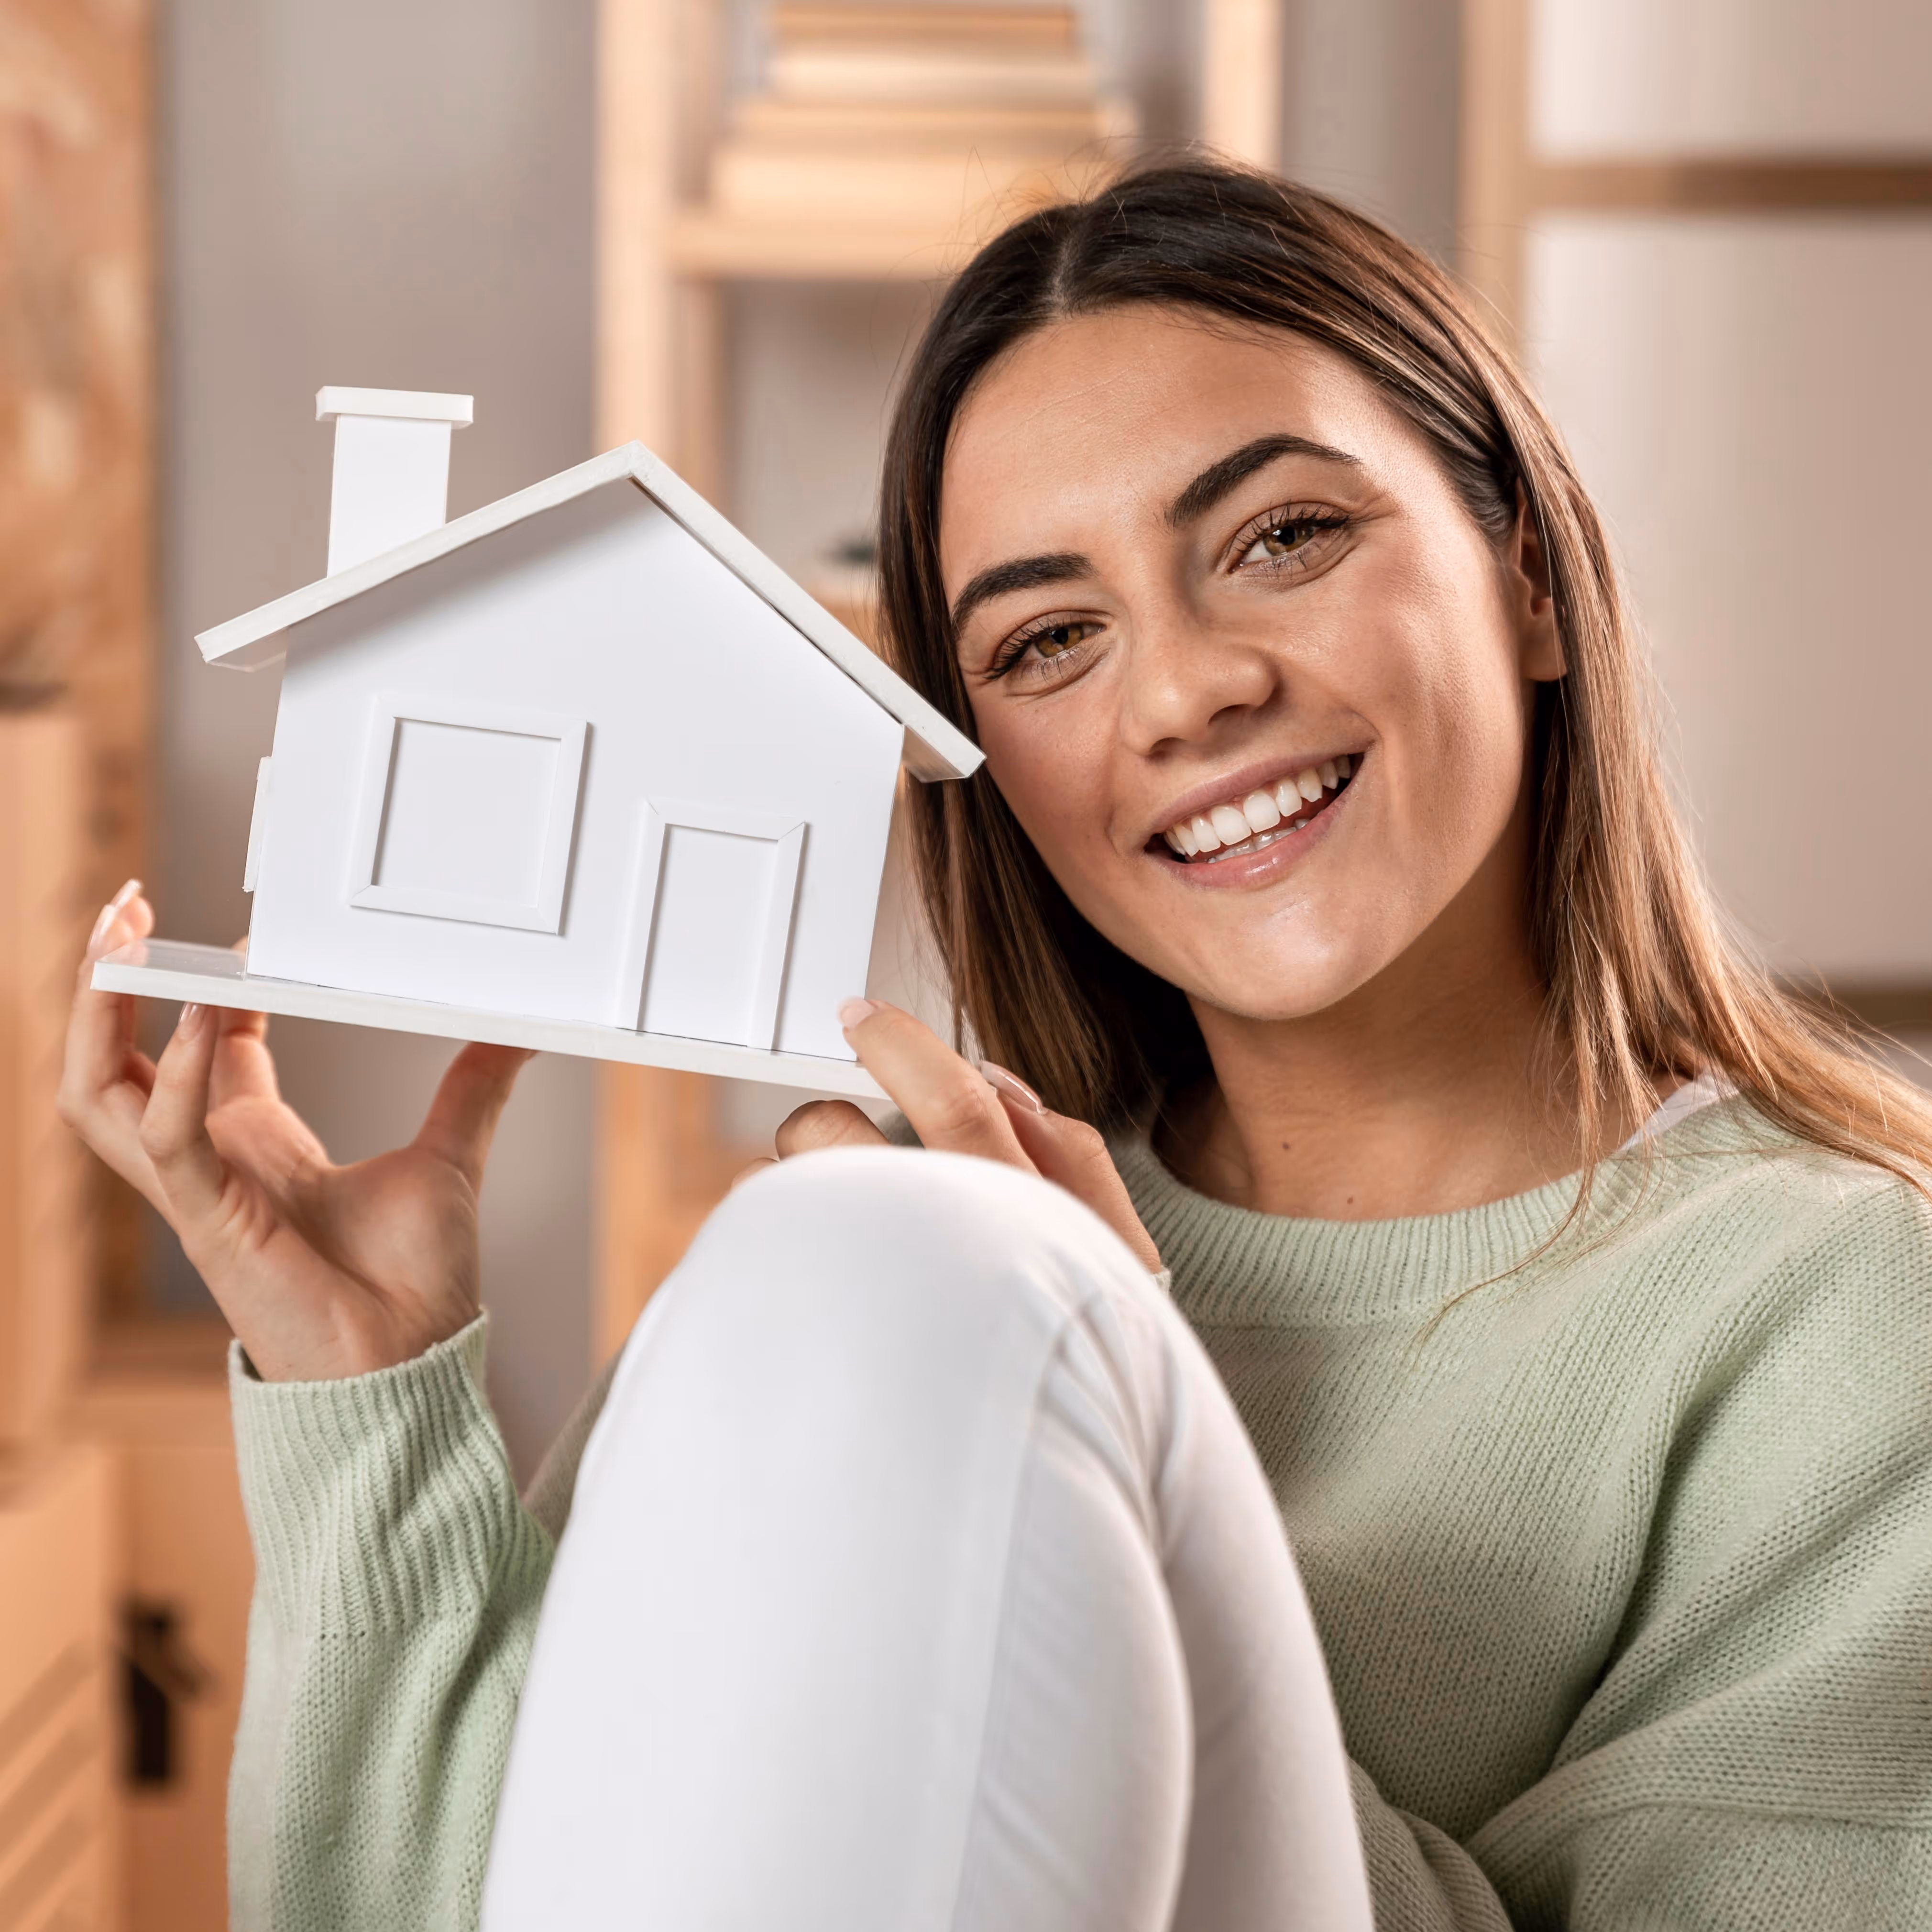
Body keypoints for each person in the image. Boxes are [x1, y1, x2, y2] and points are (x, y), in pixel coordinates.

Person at [61, 163, 1932, 1931]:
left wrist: (1108, 1368)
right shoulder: (883, 1243)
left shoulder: (1843, 1309)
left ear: (1525, 575)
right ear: (987, 773)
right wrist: (369, 1399)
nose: (1188, 689)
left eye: (1280, 537)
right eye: (1045, 641)